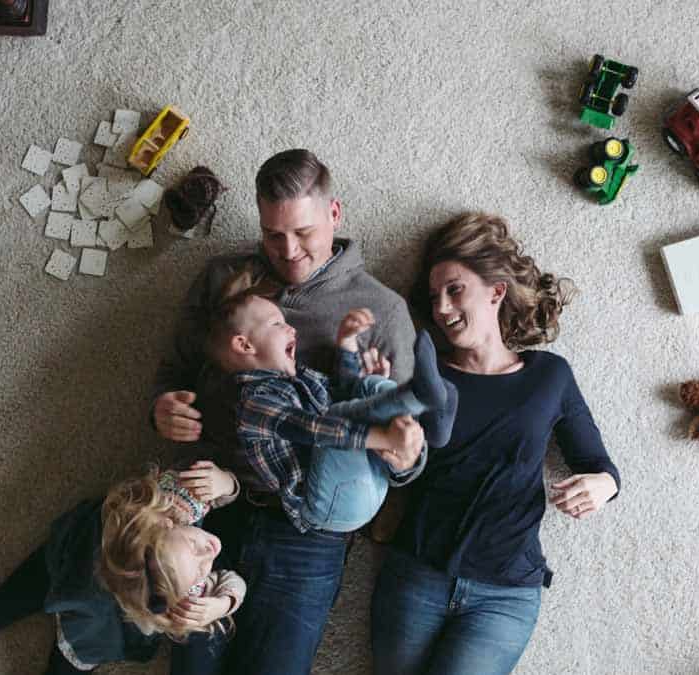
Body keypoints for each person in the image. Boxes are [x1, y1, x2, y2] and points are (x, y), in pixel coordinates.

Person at [148, 149, 426, 674]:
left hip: (309, 528)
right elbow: (174, 371)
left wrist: (402, 455)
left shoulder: (382, 309)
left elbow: (409, 450)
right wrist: (163, 406)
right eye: (273, 235)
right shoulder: (223, 278)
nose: (289, 251)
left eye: (303, 232)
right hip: (211, 508)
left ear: (334, 214)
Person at [369, 212, 623, 675]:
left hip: (506, 593)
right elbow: (389, 457)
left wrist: (603, 486)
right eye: (434, 297)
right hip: (417, 572)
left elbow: (599, 464)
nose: (442, 308)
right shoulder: (426, 372)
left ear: (496, 291)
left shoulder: (549, 375)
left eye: (454, 289)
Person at [0, 463, 244, 675]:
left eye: (201, 559)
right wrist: (225, 484)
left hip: (111, 616)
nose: (210, 550)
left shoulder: (181, 538)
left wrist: (221, 603)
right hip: (72, 567)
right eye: (197, 551)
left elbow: (233, 580)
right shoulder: (164, 514)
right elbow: (227, 569)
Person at [205, 274, 456, 533]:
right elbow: (313, 429)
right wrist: (382, 437)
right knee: (333, 419)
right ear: (244, 345)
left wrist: (347, 345)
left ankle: (428, 410)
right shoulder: (254, 405)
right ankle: (417, 397)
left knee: (367, 385)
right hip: (329, 505)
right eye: (277, 324)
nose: (292, 329)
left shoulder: (299, 376)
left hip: (370, 476)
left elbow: (345, 394)